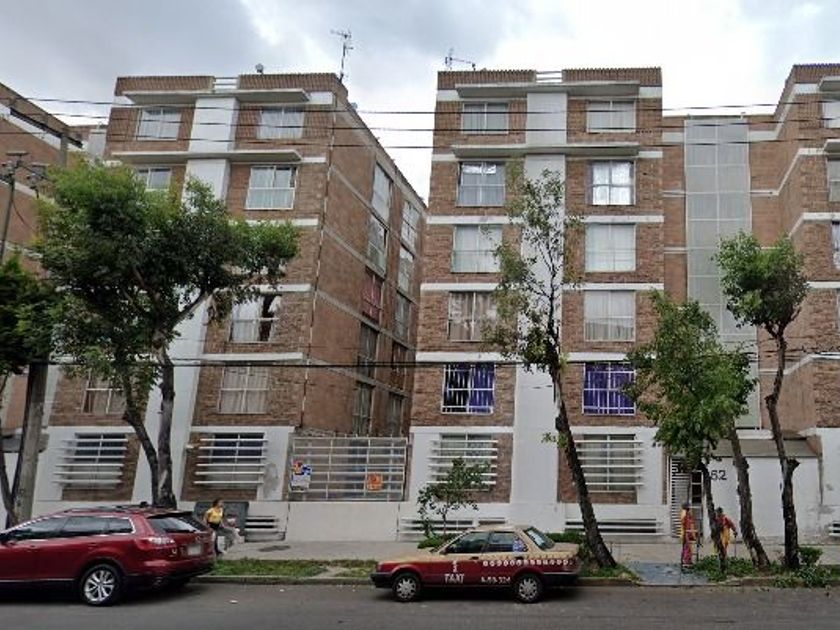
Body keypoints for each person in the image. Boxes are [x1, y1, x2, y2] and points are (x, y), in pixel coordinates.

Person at [680, 502, 698, 570]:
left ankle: (686, 561)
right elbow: (690, 525)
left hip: (686, 533)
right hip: (687, 533)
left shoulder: (685, 514)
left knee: (686, 547)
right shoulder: (686, 515)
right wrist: (694, 536)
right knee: (688, 548)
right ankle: (687, 562)